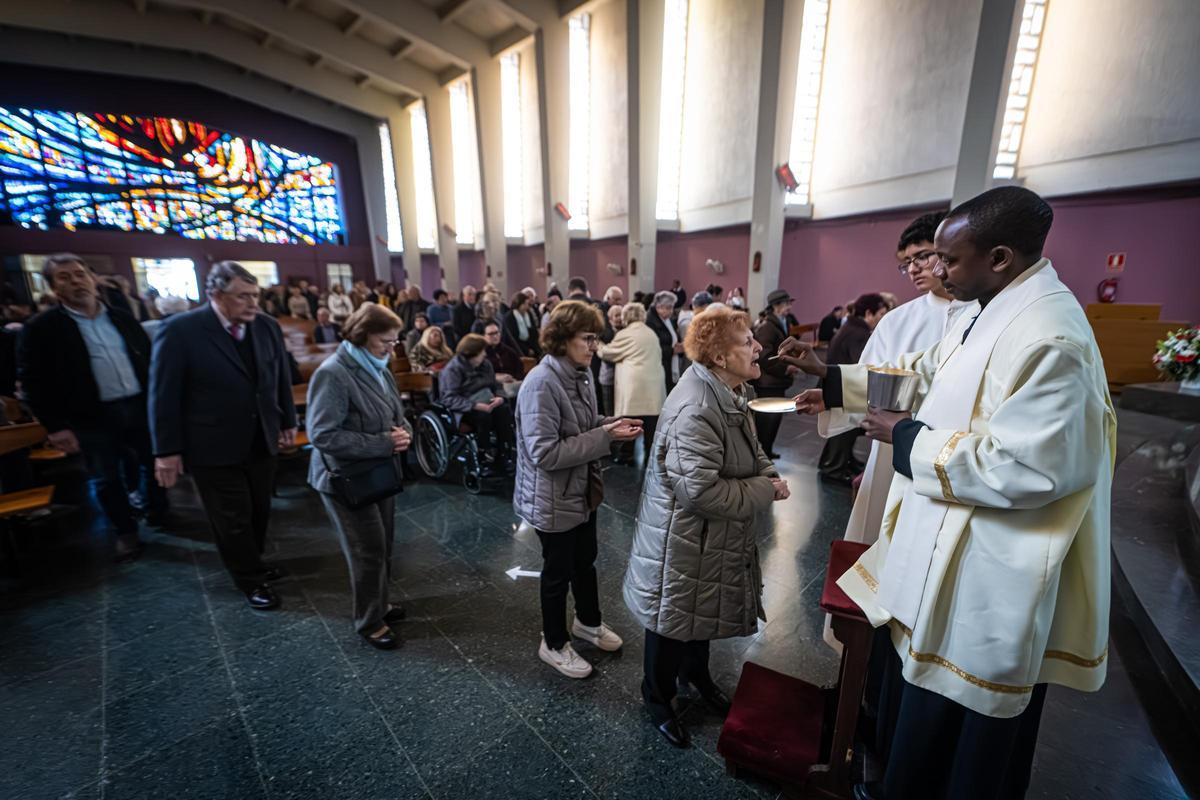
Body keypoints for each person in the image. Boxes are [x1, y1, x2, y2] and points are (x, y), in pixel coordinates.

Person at [792, 186, 1113, 800]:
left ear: (998, 256)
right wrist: (833, 379)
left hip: (988, 572)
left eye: (948, 258)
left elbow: (1025, 468)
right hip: (944, 546)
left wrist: (906, 437)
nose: (934, 271)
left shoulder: (1051, 336)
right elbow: (925, 371)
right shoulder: (987, 307)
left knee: (960, 742)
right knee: (917, 712)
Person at [624, 306, 790, 747]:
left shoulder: (728, 390)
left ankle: (695, 678)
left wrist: (768, 473)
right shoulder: (696, 407)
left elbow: (750, 448)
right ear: (719, 357)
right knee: (672, 618)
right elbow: (701, 492)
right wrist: (765, 490)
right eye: (747, 342)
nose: (758, 347)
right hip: (682, 538)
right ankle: (656, 698)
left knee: (698, 612)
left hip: (705, 537)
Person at [151, 261, 297, 610]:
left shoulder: (266, 326)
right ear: (215, 295)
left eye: (255, 295)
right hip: (211, 443)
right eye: (242, 296)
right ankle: (249, 579)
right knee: (232, 517)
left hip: (261, 435)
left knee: (260, 508)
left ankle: (254, 562)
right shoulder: (181, 330)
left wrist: (287, 420)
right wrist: (166, 450)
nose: (252, 304)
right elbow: (164, 394)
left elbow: (278, 378)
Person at [514, 300, 643, 679]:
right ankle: (552, 643)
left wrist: (612, 424)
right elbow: (545, 452)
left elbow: (584, 425)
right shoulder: (541, 383)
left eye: (596, 339)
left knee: (584, 563)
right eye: (587, 339)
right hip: (552, 495)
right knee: (556, 574)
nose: (594, 347)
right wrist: (604, 436)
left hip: (581, 490)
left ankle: (587, 623)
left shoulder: (580, 373)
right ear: (561, 339)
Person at [18, 253, 165, 560]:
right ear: (54, 288)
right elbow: (33, 382)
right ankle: (125, 531)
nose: (75, 282)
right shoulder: (42, 328)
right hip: (91, 415)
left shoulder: (121, 317)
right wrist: (56, 427)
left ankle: (155, 511)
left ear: (93, 279)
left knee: (155, 462)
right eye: (65, 277)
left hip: (137, 404)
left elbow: (148, 358)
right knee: (106, 476)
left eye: (79, 274)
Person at [307, 303, 412, 650]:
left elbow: (396, 412)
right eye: (386, 341)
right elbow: (322, 434)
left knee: (383, 545)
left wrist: (405, 432)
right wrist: (383, 442)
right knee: (366, 549)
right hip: (346, 478)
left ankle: (379, 604)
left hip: (377, 471)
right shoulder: (334, 372)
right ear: (363, 335)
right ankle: (369, 621)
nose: (391, 348)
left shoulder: (378, 367)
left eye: (395, 341)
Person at [813, 293, 888, 483]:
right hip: (843, 386)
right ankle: (834, 470)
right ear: (869, 313)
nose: (882, 319)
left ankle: (843, 462)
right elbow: (861, 363)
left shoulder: (852, 326)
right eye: (880, 314)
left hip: (839, 384)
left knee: (847, 431)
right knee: (843, 432)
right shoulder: (858, 333)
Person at [598, 303, 666, 465]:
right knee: (651, 424)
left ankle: (626, 455)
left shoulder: (626, 333)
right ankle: (651, 454)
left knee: (630, 421)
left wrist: (598, 344)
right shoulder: (651, 333)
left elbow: (608, 353)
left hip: (635, 385)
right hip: (653, 384)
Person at [439, 333, 516, 474]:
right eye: (482, 352)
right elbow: (448, 398)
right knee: (483, 417)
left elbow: (495, 385)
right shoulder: (453, 370)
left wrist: (499, 397)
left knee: (503, 410)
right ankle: (483, 456)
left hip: (488, 401)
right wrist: (474, 405)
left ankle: (503, 454)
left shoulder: (485, 364)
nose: (485, 354)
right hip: (464, 409)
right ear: (471, 354)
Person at [750, 289, 801, 460]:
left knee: (773, 420)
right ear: (776, 306)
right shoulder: (768, 326)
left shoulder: (780, 321)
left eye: (789, 304)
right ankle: (762, 455)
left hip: (775, 381)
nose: (789, 307)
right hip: (768, 382)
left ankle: (767, 451)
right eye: (786, 304)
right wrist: (785, 368)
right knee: (767, 421)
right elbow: (763, 356)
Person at [646, 290, 683, 394]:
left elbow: (672, 338)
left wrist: (679, 346)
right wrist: (672, 351)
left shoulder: (667, 320)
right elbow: (652, 348)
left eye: (672, 308)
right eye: (669, 308)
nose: (671, 311)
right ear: (659, 307)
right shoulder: (650, 322)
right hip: (658, 367)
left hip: (669, 364)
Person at [598, 304, 623, 418]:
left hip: (621, 379)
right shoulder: (604, 332)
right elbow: (605, 355)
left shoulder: (625, 331)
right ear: (610, 318)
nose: (619, 318)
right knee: (610, 412)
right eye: (617, 315)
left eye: (621, 315)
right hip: (608, 377)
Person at [501, 291, 541, 357]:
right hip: (517, 350)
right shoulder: (509, 317)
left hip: (531, 349)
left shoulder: (528, 314)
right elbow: (511, 338)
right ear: (518, 304)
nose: (527, 307)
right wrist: (526, 350)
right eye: (525, 304)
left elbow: (533, 333)